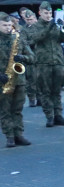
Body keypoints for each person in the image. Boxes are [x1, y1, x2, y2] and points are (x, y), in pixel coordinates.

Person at [23, 2, 64, 127]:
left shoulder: (55, 25)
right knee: (45, 91)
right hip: (43, 62)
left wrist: (62, 28)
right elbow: (35, 39)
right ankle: (49, 116)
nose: (48, 15)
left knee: (57, 91)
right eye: (45, 13)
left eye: (50, 13)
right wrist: (49, 27)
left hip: (58, 61)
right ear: (40, 13)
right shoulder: (35, 26)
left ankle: (58, 115)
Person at [0, 12, 33, 147]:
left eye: (9, 25)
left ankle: (19, 135)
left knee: (17, 110)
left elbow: (32, 56)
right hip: (3, 81)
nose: (8, 28)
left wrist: (23, 58)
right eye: (4, 25)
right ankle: (9, 136)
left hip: (19, 79)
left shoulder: (18, 39)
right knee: (5, 110)